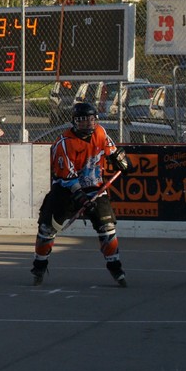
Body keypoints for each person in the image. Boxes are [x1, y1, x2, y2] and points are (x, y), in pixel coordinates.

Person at [31, 102, 129, 287]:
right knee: (47, 229)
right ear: (74, 122)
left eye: (91, 119)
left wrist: (120, 160)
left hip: (94, 187)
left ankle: (116, 268)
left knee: (107, 227)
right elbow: (66, 178)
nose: (88, 123)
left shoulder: (100, 132)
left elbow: (112, 150)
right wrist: (81, 198)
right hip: (65, 190)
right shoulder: (64, 143)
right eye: (83, 120)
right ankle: (39, 266)